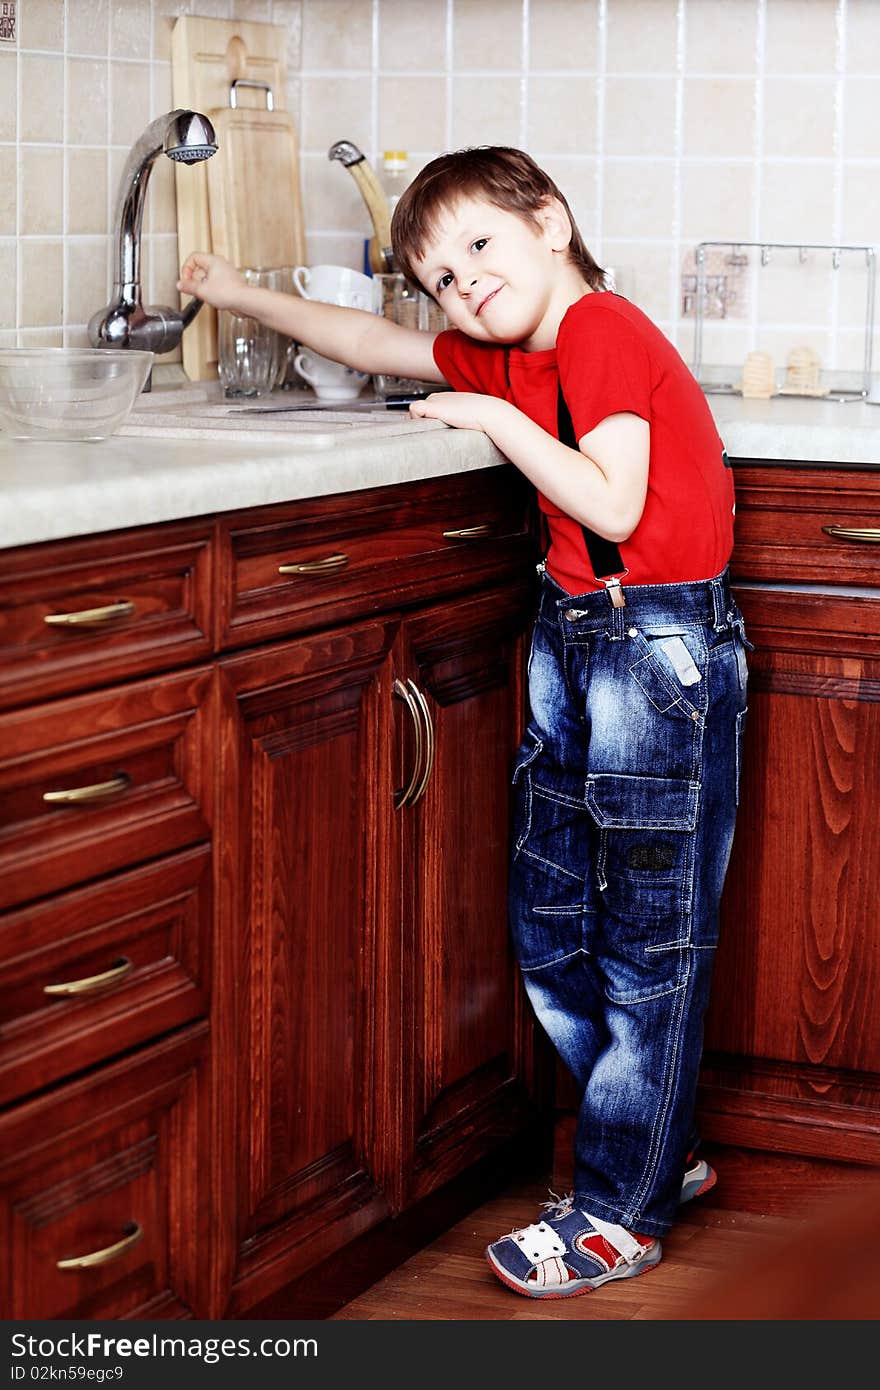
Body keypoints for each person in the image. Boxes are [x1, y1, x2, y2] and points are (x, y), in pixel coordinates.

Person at [178, 145, 750, 1301]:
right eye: (440, 278)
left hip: (654, 648)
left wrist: (493, 418)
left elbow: (611, 501)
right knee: (549, 921)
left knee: (649, 944)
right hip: (576, 633)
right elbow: (372, 345)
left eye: (480, 247)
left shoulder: (597, 331)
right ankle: (652, 1147)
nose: (464, 285)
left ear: (550, 220)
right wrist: (236, 293)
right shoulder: (507, 346)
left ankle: (619, 1205)